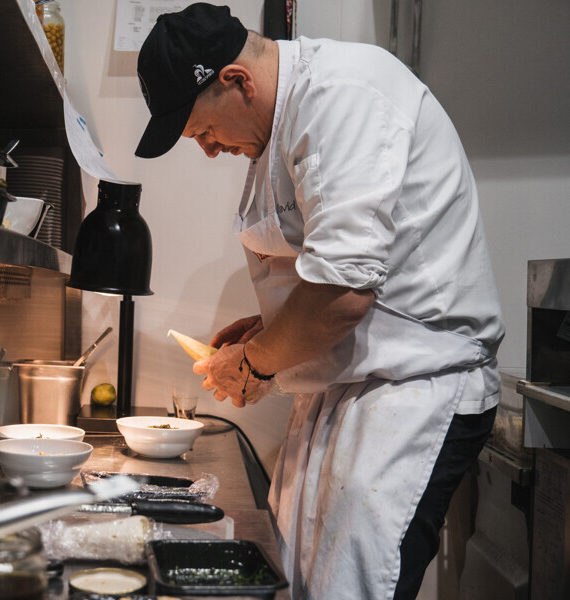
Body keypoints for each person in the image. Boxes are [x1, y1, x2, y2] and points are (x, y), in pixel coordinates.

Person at [134, 4, 505, 600]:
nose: (208, 149)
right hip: (350, 385)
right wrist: (265, 330)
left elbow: (342, 294)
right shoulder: (280, 123)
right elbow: (325, 273)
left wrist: (255, 362)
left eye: (203, 132)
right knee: (303, 577)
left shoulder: (343, 95)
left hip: (414, 391)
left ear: (237, 81)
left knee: (355, 586)